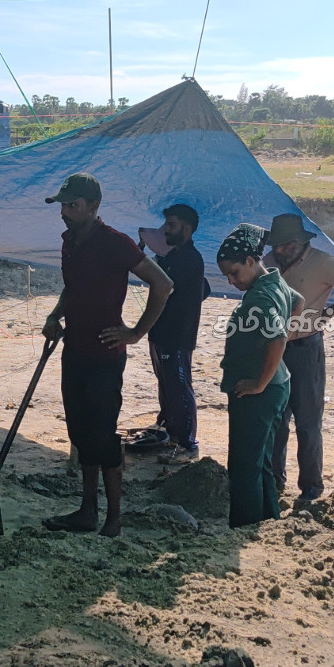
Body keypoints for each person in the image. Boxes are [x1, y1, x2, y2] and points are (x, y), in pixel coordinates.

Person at [40, 173, 173, 538]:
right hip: (74, 352)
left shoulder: (116, 243)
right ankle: (87, 511)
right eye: (63, 205)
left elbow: (163, 285)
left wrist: (135, 333)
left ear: (94, 206)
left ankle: (113, 519)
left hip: (104, 356)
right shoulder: (70, 241)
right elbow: (73, 288)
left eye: (73, 205)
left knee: (103, 436)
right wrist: (55, 315)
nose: (65, 212)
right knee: (81, 434)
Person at [264, 213, 334, 502]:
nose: (278, 251)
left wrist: (329, 313)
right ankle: (274, 480)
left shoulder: (323, 262)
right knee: (276, 418)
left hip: (305, 348)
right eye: (275, 245)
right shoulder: (269, 261)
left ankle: (311, 487)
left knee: (308, 421)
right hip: (274, 348)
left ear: (301, 242)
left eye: (285, 245)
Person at [216, 223, 303, 527]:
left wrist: (259, 382)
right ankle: (269, 519)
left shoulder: (259, 298)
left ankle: (245, 525)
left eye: (234, 273)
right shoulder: (274, 283)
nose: (230, 281)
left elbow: (278, 338)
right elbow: (299, 302)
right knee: (261, 460)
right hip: (278, 383)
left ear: (251, 262)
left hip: (259, 390)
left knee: (243, 464)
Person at [145, 204, 211, 465]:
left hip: (178, 334)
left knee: (179, 385)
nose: (166, 231)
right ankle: (170, 428)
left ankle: (186, 443)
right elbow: (202, 289)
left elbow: (166, 287)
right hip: (161, 331)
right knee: (166, 382)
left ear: (187, 228)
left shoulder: (189, 258)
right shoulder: (172, 256)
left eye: (171, 225)